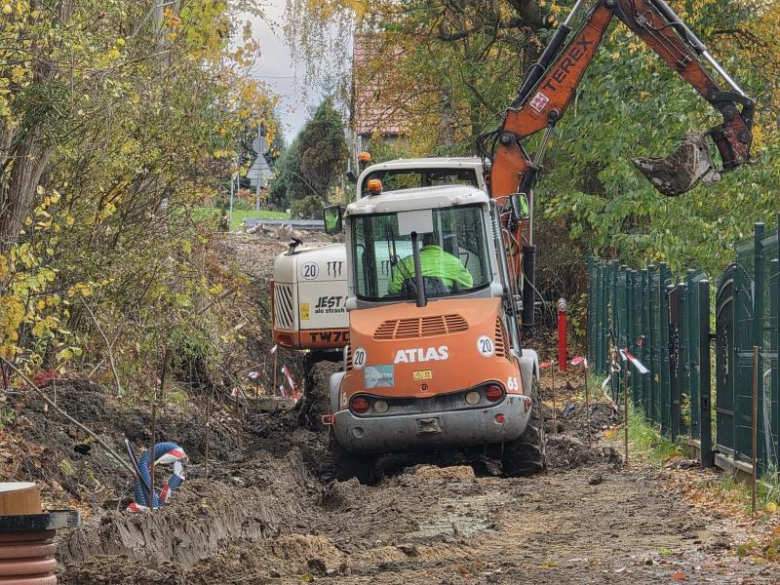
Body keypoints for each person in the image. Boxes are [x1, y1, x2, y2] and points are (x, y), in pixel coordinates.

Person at [387, 233, 473, 295]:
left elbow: (393, 288)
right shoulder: (454, 261)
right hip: (445, 306)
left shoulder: (404, 262)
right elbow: (468, 283)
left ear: (423, 243)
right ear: (440, 243)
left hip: (412, 309)